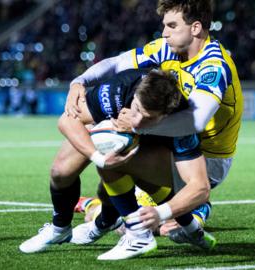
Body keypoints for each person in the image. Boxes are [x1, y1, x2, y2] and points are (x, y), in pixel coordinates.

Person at [67, 0, 243, 237]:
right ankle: (105, 210)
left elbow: (197, 120)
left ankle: (190, 204)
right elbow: (117, 63)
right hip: (173, 143)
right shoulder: (166, 48)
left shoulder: (213, 65)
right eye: (164, 25)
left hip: (207, 159)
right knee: (109, 143)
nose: (164, 33)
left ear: (195, 28)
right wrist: (79, 82)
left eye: (172, 25)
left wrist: (138, 127)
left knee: (120, 169)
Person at [19, 69, 215, 256]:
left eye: (147, 118)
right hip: (128, 146)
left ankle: (138, 235)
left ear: (165, 117)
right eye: (136, 108)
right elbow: (66, 121)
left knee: (118, 153)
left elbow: (200, 187)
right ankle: (60, 227)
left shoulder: (182, 121)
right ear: (136, 94)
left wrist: (160, 213)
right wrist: (98, 158)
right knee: (61, 171)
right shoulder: (121, 88)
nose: (137, 120)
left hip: (167, 164)